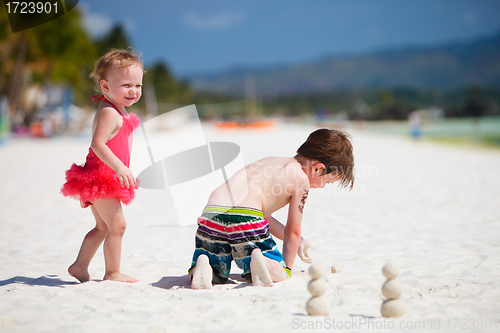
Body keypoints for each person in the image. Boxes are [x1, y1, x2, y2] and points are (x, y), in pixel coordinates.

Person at [189, 128, 355, 288]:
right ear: (318, 168)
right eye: (327, 182)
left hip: (212, 213)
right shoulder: (301, 179)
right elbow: (292, 231)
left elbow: (260, 215)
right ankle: (265, 263)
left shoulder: (269, 160)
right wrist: (287, 268)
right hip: (247, 217)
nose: (323, 186)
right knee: (276, 267)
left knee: (215, 263)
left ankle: (205, 265)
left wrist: (300, 242)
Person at [61, 49, 144, 283]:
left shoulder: (117, 109)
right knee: (118, 225)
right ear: (105, 87)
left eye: (138, 85)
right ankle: (112, 273)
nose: (133, 91)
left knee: (103, 227)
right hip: (101, 180)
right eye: (127, 85)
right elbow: (97, 144)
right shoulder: (109, 112)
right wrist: (119, 167)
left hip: (98, 178)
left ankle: (79, 266)